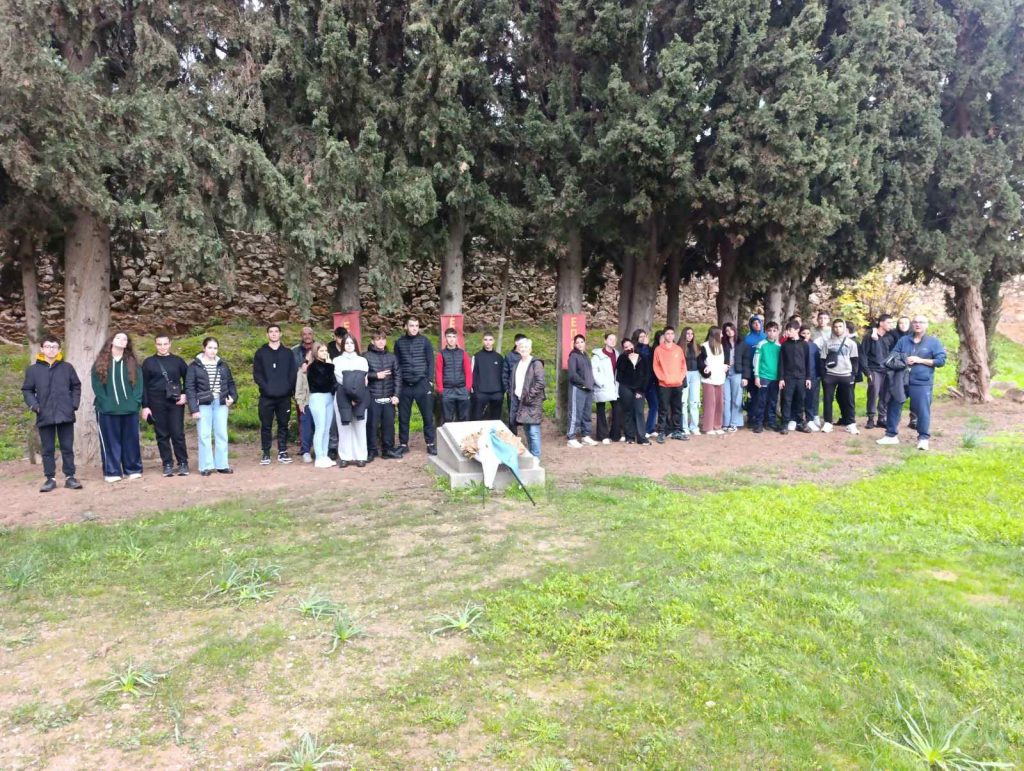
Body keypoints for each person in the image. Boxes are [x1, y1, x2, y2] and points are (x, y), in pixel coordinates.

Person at [21, 335, 82, 491]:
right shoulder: (33, 370)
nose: (51, 350)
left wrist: (73, 404)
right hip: (44, 414)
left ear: (59, 350)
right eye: (48, 346)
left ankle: (70, 477)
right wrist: (35, 406)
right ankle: (50, 479)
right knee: (47, 449)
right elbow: (27, 390)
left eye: (54, 347)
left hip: (65, 413)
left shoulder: (67, 367)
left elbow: (76, 386)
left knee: (67, 447)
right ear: (42, 349)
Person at [878, 315, 946, 451]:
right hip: (901, 379)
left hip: (922, 381)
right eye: (915, 322)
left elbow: (940, 361)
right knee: (894, 405)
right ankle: (891, 435)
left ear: (926, 325)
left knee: (922, 410)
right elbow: (893, 355)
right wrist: (904, 359)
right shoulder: (904, 340)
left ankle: (923, 438)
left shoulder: (933, 342)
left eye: (921, 322)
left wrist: (920, 360)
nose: (917, 324)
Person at [92, 331, 144, 482]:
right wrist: (106, 403)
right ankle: (112, 471)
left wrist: (135, 402)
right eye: (118, 338)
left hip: (129, 409)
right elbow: (97, 386)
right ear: (111, 341)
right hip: (107, 410)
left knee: (131, 440)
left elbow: (139, 386)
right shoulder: (101, 363)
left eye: (125, 339)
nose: (122, 340)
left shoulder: (132, 363)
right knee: (110, 442)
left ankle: (132, 469)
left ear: (127, 344)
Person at [186, 336, 238, 476]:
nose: (212, 351)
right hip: (203, 403)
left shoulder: (223, 365)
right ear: (204, 348)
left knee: (221, 434)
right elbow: (190, 388)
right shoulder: (194, 366)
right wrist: (193, 409)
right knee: (204, 435)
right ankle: (206, 466)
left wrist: (233, 397)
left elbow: (230, 383)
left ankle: (222, 464)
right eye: (210, 347)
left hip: (220, 403)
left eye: (215, 348)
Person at [141, 333, 190, 476]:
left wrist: (185, 394)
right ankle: (167, 463)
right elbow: (143, 386)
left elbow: (189, 378)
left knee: (177, 432)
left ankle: (183, 462)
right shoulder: (148, 362)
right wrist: (145, 406)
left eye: (165, 344)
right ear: (155, 345)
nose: (162, 347)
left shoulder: (178, 361)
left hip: (175, 401)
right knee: (161, 434)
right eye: (159, 344)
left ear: (170, 344)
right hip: (155, 402)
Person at [253, 324, 298, 465]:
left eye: (276, 331)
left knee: (283, 424)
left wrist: (287, 388)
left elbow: (293, 373)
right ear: (267, 335)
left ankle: (282, 451)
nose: (273, 334)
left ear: (280, 334)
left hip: (284, 396)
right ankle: (266, 453)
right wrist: (266, 388)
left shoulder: (288, 353)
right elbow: (257, 374)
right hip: (266, 397)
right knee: (266, 425)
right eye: (271, 332)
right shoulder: (260, 353)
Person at [393, 317, 436, 455]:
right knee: (403, 417)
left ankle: (430, 443)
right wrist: (398, 383)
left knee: (427, 416)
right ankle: (403, 444)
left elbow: (431, 362)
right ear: (405, 326)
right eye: (411, 325)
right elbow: (396, 364)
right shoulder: (399, 343)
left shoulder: (425, 341)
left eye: (416, 326)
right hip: (405, 384)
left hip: (422, 383)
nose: (414, 328)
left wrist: (429, 381)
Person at [333, 334, 370, 467]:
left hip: (360, 395)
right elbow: (340, 378)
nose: (349, 346)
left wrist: (356, 394)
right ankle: (345, 456)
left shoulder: (362, 360)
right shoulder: (337, 360)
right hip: (342, 395)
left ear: (355, 345)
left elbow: (363, 378)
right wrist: (351, 392)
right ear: (343, 345)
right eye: (347, 343)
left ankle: (361, 456)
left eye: (352, 343)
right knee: (344, 427)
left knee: (359, 426)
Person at [365, 330, 402, 461]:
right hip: (373, 396)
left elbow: (398, 377)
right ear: (372, 341)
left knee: (388, 425)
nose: (381, 342)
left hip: (388, 396)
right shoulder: (366, 356)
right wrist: (376, 375)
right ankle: (371, 450)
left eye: (383, 339)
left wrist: (396, 395)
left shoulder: (392, 357)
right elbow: (362, 375)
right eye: (378, 339)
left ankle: (388, 450)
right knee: (371, 425)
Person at [819, 318, 860, 434]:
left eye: (840, 326)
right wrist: (824, 375)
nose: (838, 329)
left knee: (849, 400)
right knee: (828, 399)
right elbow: (822, 359)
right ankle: (828, 422)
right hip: (830, 375)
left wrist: (853, 375)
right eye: (835, 327)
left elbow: (855, 360)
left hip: (846, 375)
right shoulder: (827, 343)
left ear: (844, 328)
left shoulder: (851, 343)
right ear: (832, 328)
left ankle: (851, 423)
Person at [511, 338, 545, 458]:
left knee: (533, 432)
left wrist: (529, 396)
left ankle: (536, 459)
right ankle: (531, 457)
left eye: (526, 347)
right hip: (520, 401)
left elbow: (540, 383)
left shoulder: (536, 363)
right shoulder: (517, 364)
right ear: (518, 349)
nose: (523, 349)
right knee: (526, 431)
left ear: (530, 349)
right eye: (521, 347)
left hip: (533, 402)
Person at [653, 326, 687, 443]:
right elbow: (656, 366)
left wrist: (680, 378)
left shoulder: (678, 349)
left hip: (677, 383)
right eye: (667, 334)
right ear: (664, 336)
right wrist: (663, 378)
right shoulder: (658, 350)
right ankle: (661, 432)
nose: (670, 336)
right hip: (664, 385)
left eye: (672, 334)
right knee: (663, 409)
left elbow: (683, 366)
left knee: (677, 408)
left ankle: (677, 431)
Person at [304, 342, 336, 467]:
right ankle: (319, 457)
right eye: (321, 351)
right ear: (315, 352)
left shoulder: (328, 365)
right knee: (320, 428)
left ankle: (325, 455)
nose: (324, 353)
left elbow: (332, 382)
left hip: (329, 397)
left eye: (326, 350)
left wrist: (329, 366)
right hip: (317, 397)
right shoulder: (312, 367)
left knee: (327, 429)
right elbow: (321, 383)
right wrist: (330, 366)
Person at [778, 320, 812, 434]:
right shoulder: (784, 345)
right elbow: (781, 363)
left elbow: (807, 362)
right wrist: (781, 378)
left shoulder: (804, 344)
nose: (788, 332)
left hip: (801, 377)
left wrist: (808, 378)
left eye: (790, 330)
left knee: (800, 400)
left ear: (797, 330)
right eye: (787, 330)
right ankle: (784, 423)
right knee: (786, 400)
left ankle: (800, 423)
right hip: (788, 377)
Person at [616, 337, 650, 444]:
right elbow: (619, 376)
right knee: (628, 411)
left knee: (639, 411)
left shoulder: (643, 357)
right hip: (625, 387)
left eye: (630, 346)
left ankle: (641, 437)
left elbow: (646, 375)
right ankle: (629, 436)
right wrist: (627, 359)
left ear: (633, 345)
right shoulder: (622, 358)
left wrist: (640, 390)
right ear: (623, 349)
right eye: (626, 347)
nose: (628, 348)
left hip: (639, 388)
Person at [861, 315, 893, 429]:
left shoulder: (890, 337)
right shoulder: (869, 337)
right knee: (873, 393)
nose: (891, 325)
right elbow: (863, 354)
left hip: (888, 370)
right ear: (881, 323)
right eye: (888, 322)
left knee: (885, 395)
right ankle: (870, 419)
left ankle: (882, 418)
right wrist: (866, 371)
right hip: (874, 369)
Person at [566, 334, 597, 448]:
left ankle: (586, 436)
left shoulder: (585, 356)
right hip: (578, 388)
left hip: (588, 389)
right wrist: (583, 384)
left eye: (581, 342)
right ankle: (571, 438)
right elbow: (572, 375)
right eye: (577, 342)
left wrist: (590, 385)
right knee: (575, 413)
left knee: (586, 414)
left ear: (585, 343)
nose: (579, 344)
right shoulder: (573, 356)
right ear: (574, 344)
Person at [750, 322, 781, 434]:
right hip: (763, 376)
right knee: (761, 401)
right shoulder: (761, 344)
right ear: (765, 332)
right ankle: (758, 423)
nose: (772, 333)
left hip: (775, 378)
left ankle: (771, 422)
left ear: (777, 332)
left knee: (772, 401)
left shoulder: (779, 346)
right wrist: (756, 376)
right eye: (769, 331)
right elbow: (756, 361)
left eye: (774, 331)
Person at [436, 327, 472, 423]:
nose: (451, 339)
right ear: (445, 338)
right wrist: (441, 390)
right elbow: (438, 372)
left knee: (464, 418)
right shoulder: (441, 355)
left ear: (456, 338)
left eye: (453, 337)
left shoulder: (463, 353)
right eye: (449, 336)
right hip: (447, 390)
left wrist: (467, 388)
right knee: (447, 419)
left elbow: (468, 371)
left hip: (462, 390)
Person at [592, 332, 622, 443]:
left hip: (614, 386)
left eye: (614, 339)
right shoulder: (597, 356)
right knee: (601, 410)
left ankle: (615, 435)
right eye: (610, 339)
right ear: (605, 341)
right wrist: (601, 383)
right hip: (602, 386)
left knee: (617, 409)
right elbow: (594, 371)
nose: (612, 341)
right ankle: (602, 435)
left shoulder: (617, 354)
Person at [697, 327, 727, 435]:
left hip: (720, 378)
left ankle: (717, 425)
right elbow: (700, 362)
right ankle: (708, 427)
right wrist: (705, 371)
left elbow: (721, 361)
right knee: (710, 403)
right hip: (708, 379)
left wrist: (724, 367)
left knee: (719, 403)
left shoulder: (721, 346)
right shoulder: (704, 346)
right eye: (721, 334)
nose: (722, 335)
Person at [292, 326, 316, 462]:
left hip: (317, 390)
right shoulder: (294, 351)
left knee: (318, 420)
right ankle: (304, 447)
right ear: (301, 336)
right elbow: (292, 370)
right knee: (303, 419)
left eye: (309, 333)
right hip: (301, 389)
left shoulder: (319, 348)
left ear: (313, 335)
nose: (307, 336)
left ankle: (317, 447)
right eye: (304, 334)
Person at [471, 333, 504, 420]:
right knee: (476, 418)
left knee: (495, 419)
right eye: (485, 339)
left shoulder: (499, 358)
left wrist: (502, 391)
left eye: (490, 340)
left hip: (497, 393)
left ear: (493, 341)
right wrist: (475, 391)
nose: (488, 342)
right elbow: (473, 374)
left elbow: (502, 375)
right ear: (482, 341)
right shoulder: (477, 357)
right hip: (481, 393)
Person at [633, 329, 659, 438]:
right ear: (636, 338)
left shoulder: (649, 349)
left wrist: (646, 346)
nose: (643, 338)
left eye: (644, 336)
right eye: (641, 337)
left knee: (655, 405)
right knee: (639, 408)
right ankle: (638, 430)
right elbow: (643, 359)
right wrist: (644, 346)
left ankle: (649, 428)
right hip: (639, 384)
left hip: (650, 382)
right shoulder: (635, 350)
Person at [809, 310, 831, 426]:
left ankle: (828, 418)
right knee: (815, 391)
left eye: (825, 318)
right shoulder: (812, 331)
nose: (822, 320)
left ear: (828, 320)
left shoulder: (832, 331)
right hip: (815, 363)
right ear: (817, 319)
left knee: (828, 392)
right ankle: (815, 415)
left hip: (829, 363)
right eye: (820, 318)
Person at [721, 322, 744, 432]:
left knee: (736, 399)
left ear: (735, 329)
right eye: (727, 330)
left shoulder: (741, 342)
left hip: (737, 372)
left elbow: (746, 360)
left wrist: (745, 377)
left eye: (731, 329)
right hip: (725, 373)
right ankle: (726, 423)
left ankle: (734, 423)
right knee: (726, 399)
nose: (729, 332)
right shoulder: (722, 343)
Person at [502, 333, 526, 432]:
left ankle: (528, 437)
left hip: (525, 391)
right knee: (512, 417)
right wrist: (507, 389)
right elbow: (505, 374)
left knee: (526, 416)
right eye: (522, 343)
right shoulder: (509, 356)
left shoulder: (527, 356)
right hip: (512, 391)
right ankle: (513, 436)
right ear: (516, 343)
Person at [681, 327, 703, 435]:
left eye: (691, 333)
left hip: (695, 374)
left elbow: (701, 362)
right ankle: (684, 427)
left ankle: (694, 426)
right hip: (684, 374)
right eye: (687, 333)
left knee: (694, 401)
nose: (690, 335)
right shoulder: (679, 347)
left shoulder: (697, 347)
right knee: (683, 402)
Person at [800, 326, 822, 432]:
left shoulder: (814, 346)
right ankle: (797, 419)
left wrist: (818, 375)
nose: (805, 335)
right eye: (803, 333)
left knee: (810, 398)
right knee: (799, 398)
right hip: (799, 376)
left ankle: (810, 419)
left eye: (808, 333)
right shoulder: (796, 345)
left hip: (812, 376)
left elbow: (817, 361)